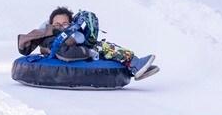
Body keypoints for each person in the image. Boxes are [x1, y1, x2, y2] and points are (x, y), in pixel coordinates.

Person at [19, 7, 158, 80]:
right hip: (68, 58)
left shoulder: (74, 35)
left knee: (105, 46)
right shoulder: (50, 38)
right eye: (57, 24)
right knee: (101, 48)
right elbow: (66, 54)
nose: (61, 26)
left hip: (81, 51)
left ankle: (135, 65)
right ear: (51, 25)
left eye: (65, 23)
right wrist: (88, 52)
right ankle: (135, 65)